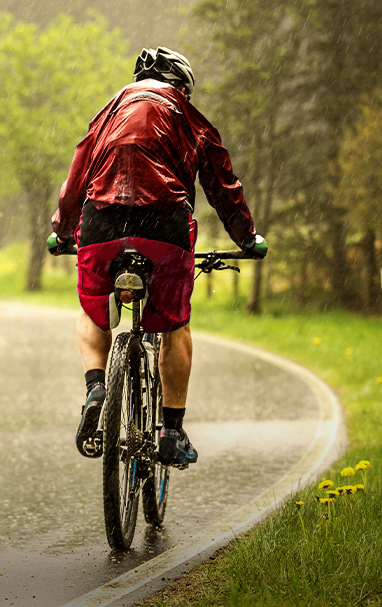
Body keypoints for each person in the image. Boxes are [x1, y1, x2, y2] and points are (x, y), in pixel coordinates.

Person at [49, 46, 267, 466]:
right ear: (182, 87)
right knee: (175, 325)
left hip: (102, 223)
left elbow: (76, 178)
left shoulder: (107, 114)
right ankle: (172, 431)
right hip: (164, 224)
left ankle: (96, 388)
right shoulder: (189, 116)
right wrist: (247, 238)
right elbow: (223, 188)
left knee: (95, 313)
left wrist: (61, 231)